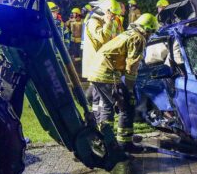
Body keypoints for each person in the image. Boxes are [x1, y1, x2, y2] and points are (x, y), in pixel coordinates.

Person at [88, 13, 159, 153]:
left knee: (108, 107)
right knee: (127, 106)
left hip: (97, 71)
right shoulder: (138, 38)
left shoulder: (129, 33)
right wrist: (130, 90)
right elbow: (132, 67)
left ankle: (106, 142)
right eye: (152, 32)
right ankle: (123, 144)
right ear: (148, 29)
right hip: (107, 74)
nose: (151, 36)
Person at [66, 8, 83, 76]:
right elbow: (65, 26)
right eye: (72, 13)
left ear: (77, 14)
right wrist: (69, 21)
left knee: (79, 56)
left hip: (80, 41)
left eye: (74, 13)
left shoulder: (82, 21)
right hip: (72, 41)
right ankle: (74, 71)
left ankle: (80, 70)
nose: (72, 14)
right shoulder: (71, 21)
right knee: (72, 56)